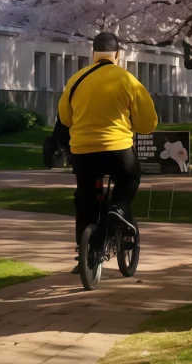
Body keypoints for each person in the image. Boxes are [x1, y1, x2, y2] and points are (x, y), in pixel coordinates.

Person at [58, 29, 158, 265]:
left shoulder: (76, 79)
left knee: (85, 196)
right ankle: (120, 209)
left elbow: (65, 118)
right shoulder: (126, 79)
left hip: (83, 151)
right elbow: (148, 122)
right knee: (130, 177)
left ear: (93, 54)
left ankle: (85, 253)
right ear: (117, 54)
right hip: (117, 149)